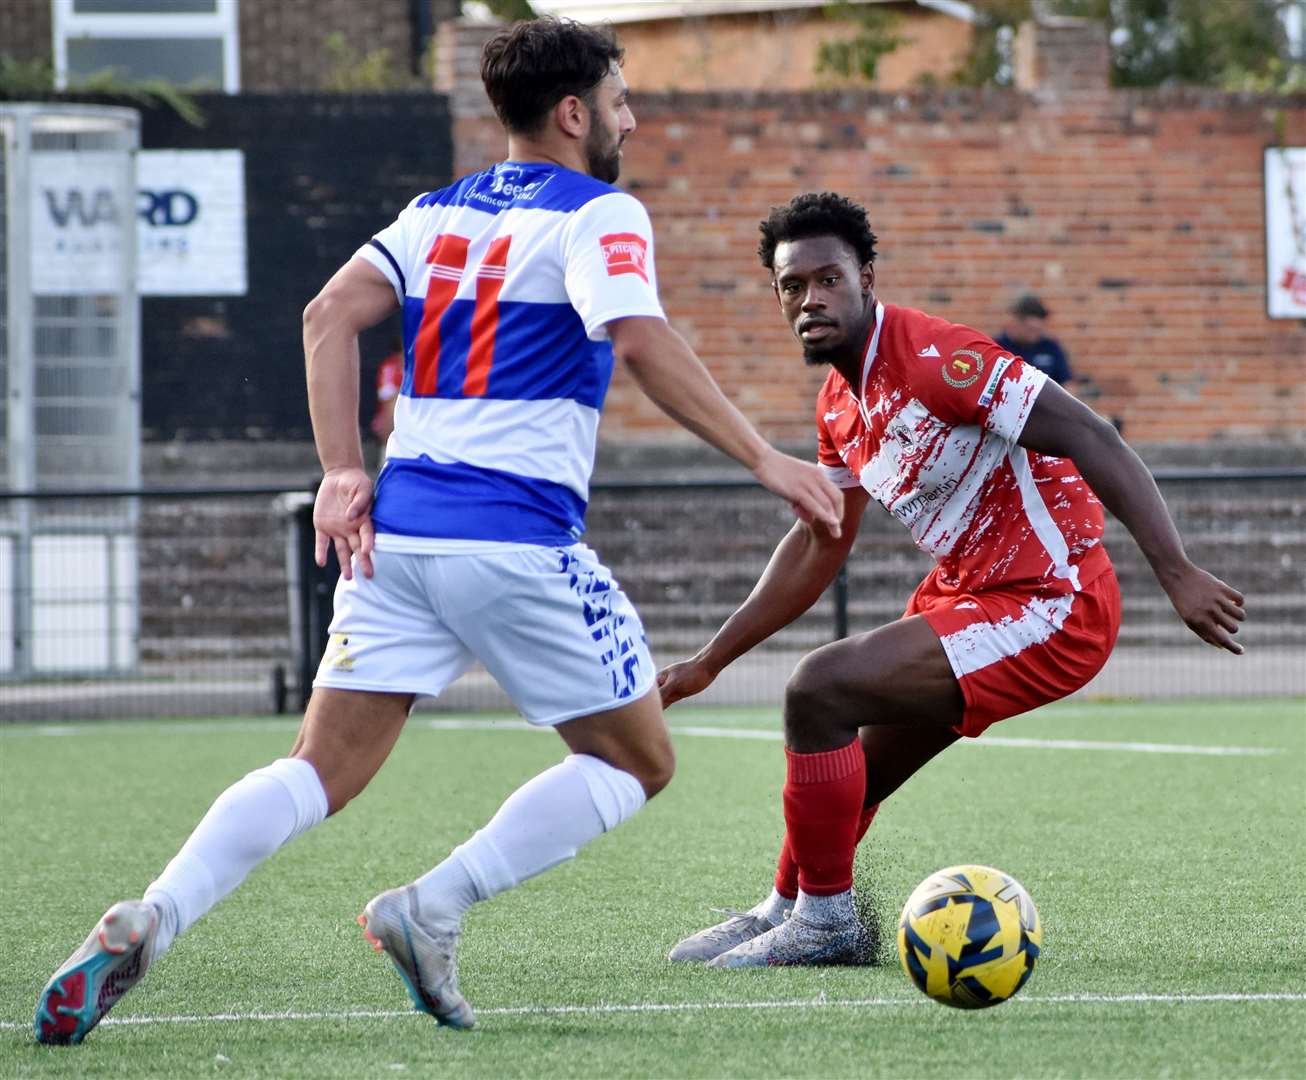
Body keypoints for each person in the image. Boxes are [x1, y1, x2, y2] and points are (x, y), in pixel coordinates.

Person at [33, 18, 844, 1044]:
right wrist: (769, 459)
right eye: (622, 98)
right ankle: (434, 905)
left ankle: (153, 911)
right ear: (572, 112)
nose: (630, 118)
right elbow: (639, 339)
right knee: (636, 762)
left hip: (399, 536)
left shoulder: (433, 212)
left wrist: (338, 471)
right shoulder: (601, 213)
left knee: (314, 771)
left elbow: (327, 315)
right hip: (512, 539)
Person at [658, 192, 1245, 968]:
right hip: (971, 595)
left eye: (828, 278)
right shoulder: (839, 403)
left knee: (817, 689)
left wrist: (1175, 572)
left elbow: (1087, 431)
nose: (810, 299)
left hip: (1052, 601)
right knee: (852, 763)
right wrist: (710, 661)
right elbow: (818, 540)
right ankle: (790, 907)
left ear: (867, 277)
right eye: (792, 286)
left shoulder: (938, 359)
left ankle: (826, 927)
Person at [994, 294, 1074, 386]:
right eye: (1031, 329)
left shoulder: (1050, 346)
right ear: (1016, 322)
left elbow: (1067, 383)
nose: (1035, 335)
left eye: (1039, 330)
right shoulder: (998, 348)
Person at [370, 335, 404, 467]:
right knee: (392, 406)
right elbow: (388, 399)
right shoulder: (391, 366)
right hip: (388, 419)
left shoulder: (425, 364)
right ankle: (387, 458)